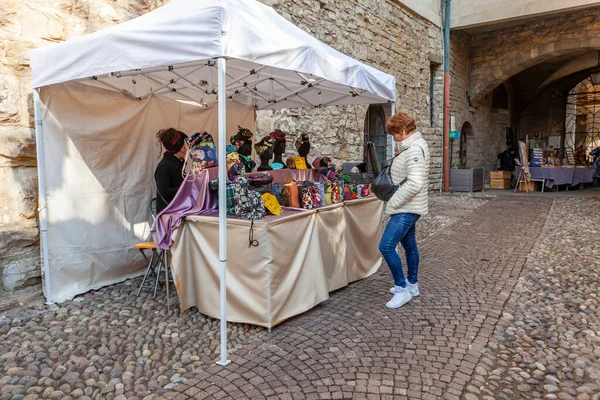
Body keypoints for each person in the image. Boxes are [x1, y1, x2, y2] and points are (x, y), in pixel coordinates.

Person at [378, 111, 430, 309]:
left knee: (386, 246)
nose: (394, 139)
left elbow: (414, 183)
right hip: (410, 205)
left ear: (402, 131)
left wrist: (393, 204)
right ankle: (412, 284)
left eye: (394, 135)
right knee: (409, 245)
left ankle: (402, 289)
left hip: (407, 207)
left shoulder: (414, 149)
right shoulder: (414, 147)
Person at [155, 128, 189, 214]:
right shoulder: (164, 166)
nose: (186, 150)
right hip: (168, 212)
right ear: (177, 149)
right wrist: (187, 188)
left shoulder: (178, 163)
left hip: (179, 207)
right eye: (184, 147)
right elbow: (164, 192)